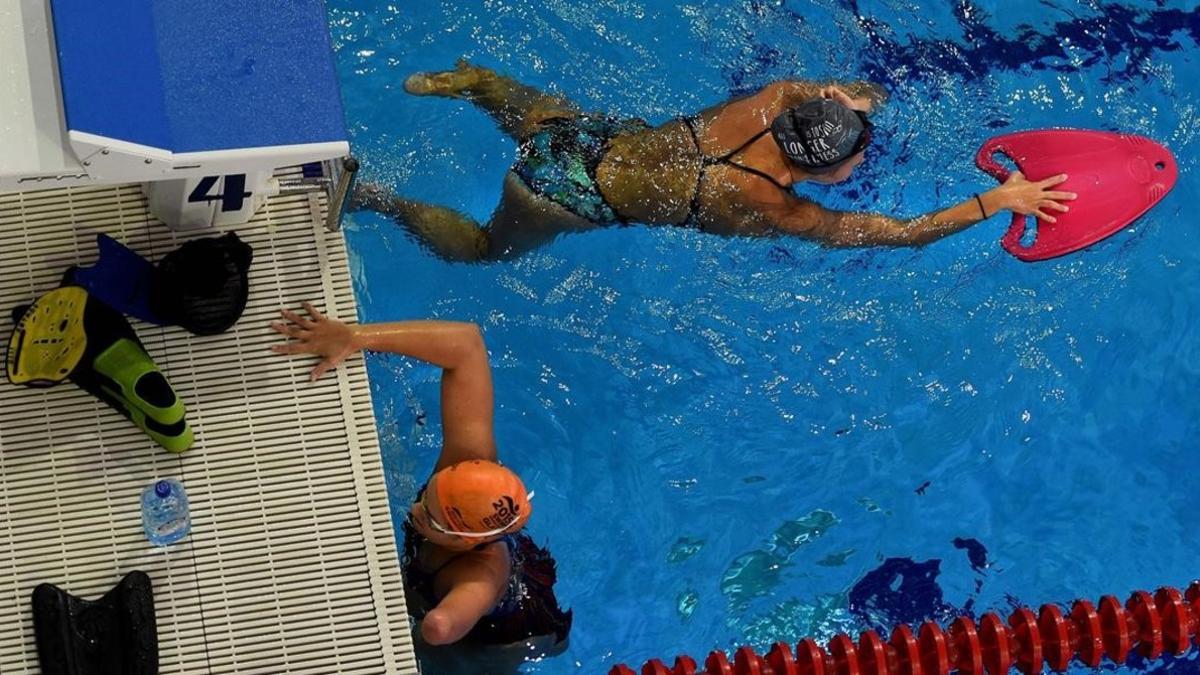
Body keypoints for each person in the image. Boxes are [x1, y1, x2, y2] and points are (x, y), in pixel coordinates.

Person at [351, 60, 1076, 262]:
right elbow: (893, 232)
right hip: (560, 194)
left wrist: (856, 99)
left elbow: (853, 94)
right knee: (480, 250)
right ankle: (383, 200)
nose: (856, 171)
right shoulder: (768, 203)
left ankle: (478, 85)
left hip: (591, 139)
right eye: (849, 165)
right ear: (818, 173)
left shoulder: (773, 99)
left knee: (540, 117)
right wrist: (996, 202)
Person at [269, 303, 572, 650]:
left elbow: (439, 627)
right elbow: (467, 343)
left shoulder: (479, 579)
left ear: (463, 541)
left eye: (429, 516)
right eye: (427, 497)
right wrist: (354, 337)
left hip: (504, 634)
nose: (415, 511)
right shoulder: (470, 462)